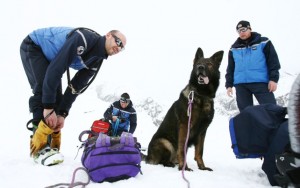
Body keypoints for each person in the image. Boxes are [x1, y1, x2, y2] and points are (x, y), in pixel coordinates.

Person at [20, 27, 127, 164]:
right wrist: (47, 107)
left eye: (122, 47)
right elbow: (56, 70)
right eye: (118, 42)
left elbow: (75, 87)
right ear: (108, 35)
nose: (119, 48)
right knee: (43, 91)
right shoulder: (83, 38)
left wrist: (62, 113)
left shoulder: (96, 61)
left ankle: (50, 145)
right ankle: (40, 148)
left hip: (51, 59)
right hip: (35, 46)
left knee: (56, 100)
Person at [225, 20, 281, 112]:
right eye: (239, 31)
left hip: (260, 82)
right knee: (246, 114)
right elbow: (230, 68)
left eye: (243, 29)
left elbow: (273, 61)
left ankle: (276, 126)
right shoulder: (233, 48)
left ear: (250, 28)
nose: (241, 33)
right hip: (241, 85)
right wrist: (229, 85)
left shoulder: (264, 42)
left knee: (271, 110)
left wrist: (274, 79)